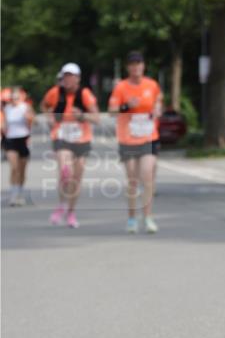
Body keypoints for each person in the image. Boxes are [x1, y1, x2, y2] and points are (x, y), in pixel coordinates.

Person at [108, 51, 163, 234]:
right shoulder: (121, 87)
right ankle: (132, 218)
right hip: (128, 139)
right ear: (128, 67)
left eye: (138, 63)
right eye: (132, 64)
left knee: (147, 177)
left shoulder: (152, 85)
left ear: (143, 66)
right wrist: (126, 106)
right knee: (132, 181)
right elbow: (112, 111)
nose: (136, 67)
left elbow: (158, 101)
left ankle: (148, 217)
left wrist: (157, 109)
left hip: (149, 137)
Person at [40, 64, 100, 228]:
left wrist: (82, 115)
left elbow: (97, 118)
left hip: (82, 138)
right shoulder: (55, 92)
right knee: (65, 171)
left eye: (71, 76)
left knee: (76, 179)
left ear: (78, 79)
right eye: (65, 76)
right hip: (61, 136)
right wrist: (49, 117)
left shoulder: (85, 94)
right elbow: (44, 105)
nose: (67, 79)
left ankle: (71, 212)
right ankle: (61, 204)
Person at [1, 87, 35, 205]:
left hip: (23, 139)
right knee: (14, 168)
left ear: (21, 97)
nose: (14, 100)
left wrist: (29, 118)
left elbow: (34, 121)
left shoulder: (25, 107)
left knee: (22, 170)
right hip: (10, 140)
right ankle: (13, 195)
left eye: (16, 98)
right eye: (12, 98)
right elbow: (4, 124)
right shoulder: (6, 108)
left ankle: (20, 191)